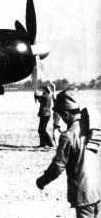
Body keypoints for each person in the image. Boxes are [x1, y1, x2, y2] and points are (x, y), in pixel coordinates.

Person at [36, 90, 101, 218]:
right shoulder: (94, 128)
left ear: (65, 114)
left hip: (83, 194)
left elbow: (58, 166)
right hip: (98, 188)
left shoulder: (68, 135)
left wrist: (42, 181)